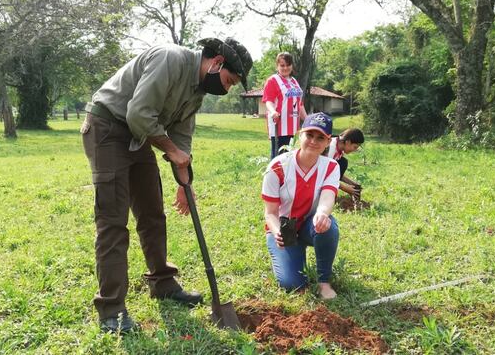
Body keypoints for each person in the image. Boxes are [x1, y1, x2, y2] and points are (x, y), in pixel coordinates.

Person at [81, 37, 253, 334]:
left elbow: (181, 137)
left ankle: (163, 283)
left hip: (140, 135)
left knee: (151, 212)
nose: (227, 88)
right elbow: (138, 113)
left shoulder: (197, 91)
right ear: (216, 63)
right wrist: (172, 151)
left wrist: (184, 181)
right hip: (108, 128)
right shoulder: (170, 60)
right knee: (113, 221)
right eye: (229, 80)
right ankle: (111, 309)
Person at [261, 113, 340, 300]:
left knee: (329, 227)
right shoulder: (277, 167)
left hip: (309, 224)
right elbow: (270, 213)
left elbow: (328, 197)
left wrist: (322, 214)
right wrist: (277, 231)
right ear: (300, 135)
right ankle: (289, 256)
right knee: (292, 284)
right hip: (284, 227)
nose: (314, 141)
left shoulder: (331, 167)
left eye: (320, 137)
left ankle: (324, 282)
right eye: (309, 135)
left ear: (328, 141)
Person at [262, 52, 308, 158]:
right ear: (277, 66)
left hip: (294, 129)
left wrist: (307, 119)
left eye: (288, 65)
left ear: (292, 65)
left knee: (291, 158)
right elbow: (268, 101)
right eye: (282, 65)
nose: (285, 68)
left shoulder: (294, 81)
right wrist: (273, 111)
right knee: (279, 159)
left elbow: (299, 104)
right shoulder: (272, 80)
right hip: (279, 127)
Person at [326, 128, 365, 199]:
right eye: (355, 147)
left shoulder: (340, 148)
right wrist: (345, 188)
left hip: (324, 174)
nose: (354, 150)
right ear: (348, 142)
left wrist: (353, 184)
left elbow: (335, 173)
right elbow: (325, 175)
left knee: (343, 162)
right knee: (342, 163)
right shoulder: (331, 148)